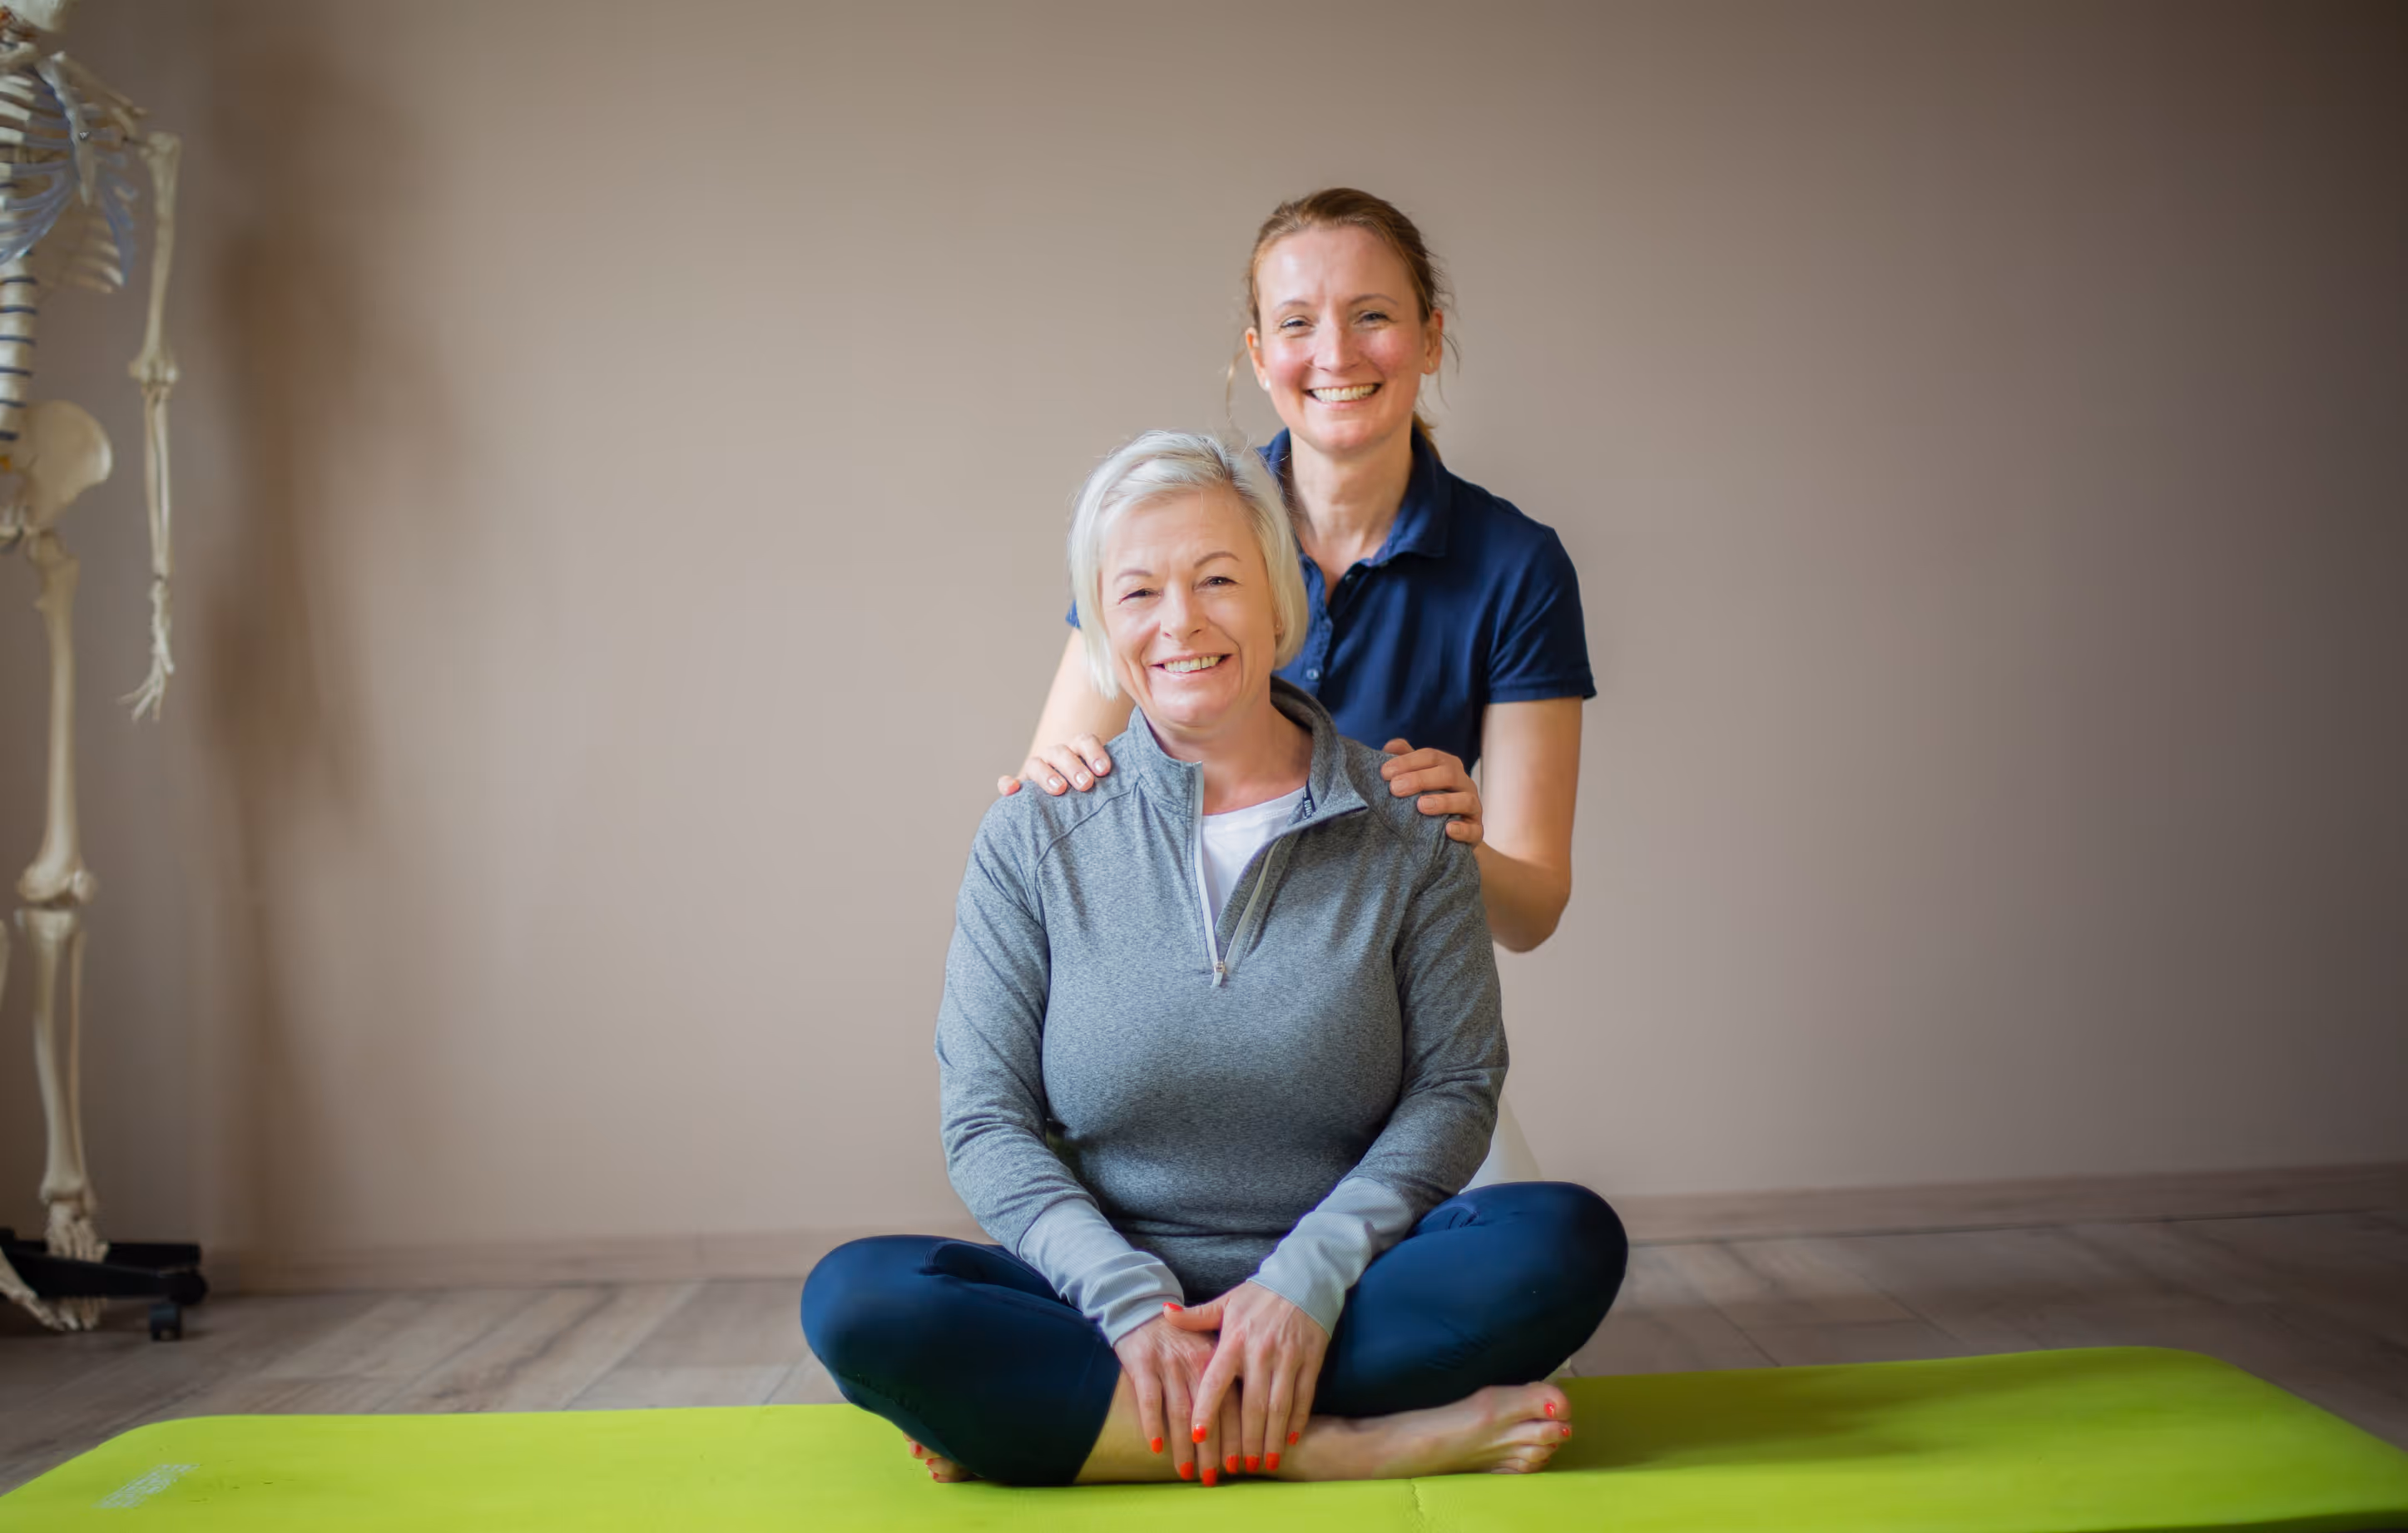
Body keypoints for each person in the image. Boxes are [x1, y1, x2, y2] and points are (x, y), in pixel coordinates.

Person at [804, 433, 1626, 1488]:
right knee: (858, 1299)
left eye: (1218, 579)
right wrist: (1131, 1302)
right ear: (1103, 628)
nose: (1180, 621)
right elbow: (983, 1119)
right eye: (1137, 591)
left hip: (1348, 1287)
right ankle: (1335, 1445)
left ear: (1281, 605)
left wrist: (1301, 1286)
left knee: (1562, 1238)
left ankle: (1081, 1429)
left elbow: (1456, 1088)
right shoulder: (1032, 835)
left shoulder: (1407, 819)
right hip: (1098, 1306)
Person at [1002, 189, 1591, 1179]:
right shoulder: (1172, 522)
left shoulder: (1514, 566)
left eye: (1372, 315)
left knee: (1531, 1283)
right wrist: (1055, 781)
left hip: (1376, 1048)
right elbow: (1047, 804)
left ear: (1429, 336)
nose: (1334, 353)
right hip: (1165, 1035)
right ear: (1255, 351)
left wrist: (1449, 837)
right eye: (1296, 324)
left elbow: (1530, 910)